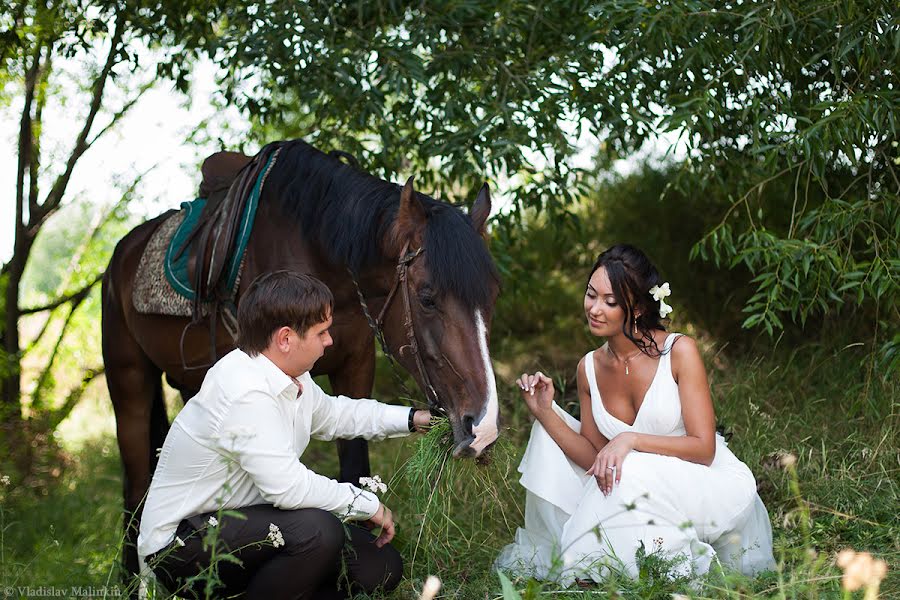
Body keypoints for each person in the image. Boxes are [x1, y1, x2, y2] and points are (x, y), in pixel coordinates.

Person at [138, 270, 432, 599]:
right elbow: (288, 489)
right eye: (321, 332)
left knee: (379, 566)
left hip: (248, 524)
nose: (329, 340)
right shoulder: (243, 388)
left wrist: (412, 418)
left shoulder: (292, 375)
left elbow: (336, 414)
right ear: (286, 339)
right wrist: (366, 504)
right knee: (319, 533)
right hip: (182, 544)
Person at [495, 244, 775, 584]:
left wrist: (631, 439)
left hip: (701, 485)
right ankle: (599, 569)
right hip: (631, 491)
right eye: (591, 295)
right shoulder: (589, 368)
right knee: (555, 435)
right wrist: (545, 413)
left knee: (631, 463)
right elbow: (597, 458)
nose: (595, 309)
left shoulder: (678, 351)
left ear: (639, 307)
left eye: (610, 302)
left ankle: (589, 568)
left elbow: (704, 449)